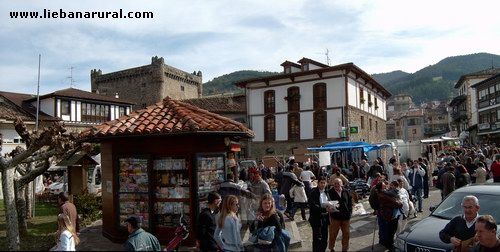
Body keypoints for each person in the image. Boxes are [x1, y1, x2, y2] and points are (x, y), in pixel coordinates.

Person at [308, 176, 333, 252]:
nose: (322, 184)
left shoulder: (326, 192)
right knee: (317, 239)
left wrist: (332, 206)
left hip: (325, 218)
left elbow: (329, 201)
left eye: (324, 183)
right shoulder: (313, 192)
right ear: (318, 183)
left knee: (324, 238)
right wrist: (324, 209)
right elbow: (313, 206)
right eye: (321, 183)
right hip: (316, 219)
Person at [327, 178, 353, 252]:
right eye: (335, 183)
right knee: (333, 234)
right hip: (335, 217)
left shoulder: (346, 191)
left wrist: (350, 212)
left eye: (338, 183)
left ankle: (345, 249)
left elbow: (350, 203)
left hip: (345, 217)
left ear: (341, 184)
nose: (336, 185)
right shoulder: (329, 192)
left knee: (346, 234)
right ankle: (331, 248)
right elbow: (327, 203)